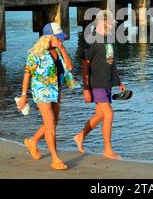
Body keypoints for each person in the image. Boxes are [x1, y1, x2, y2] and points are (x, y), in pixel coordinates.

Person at [17, 23, 73, 170]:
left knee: (53, 122)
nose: (61, 40)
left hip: (56, 89)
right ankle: (55, 159)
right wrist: (24, 96)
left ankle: (33, 141)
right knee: (50, 125)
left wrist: (62, 48)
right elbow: (27, 75)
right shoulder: (35, 54)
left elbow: (69, 67)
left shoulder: (59, 50)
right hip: (41, 90)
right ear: (48, 37)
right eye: (58, 38)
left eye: (61, 38)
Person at [73, 10, 126, 160]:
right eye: (110, 24)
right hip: (97, 83)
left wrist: (118, 81)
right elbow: (84, 66)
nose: (113, 27)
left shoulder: (108, 39)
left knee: (100, 115)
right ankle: (108, 149)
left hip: (107, 82)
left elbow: (111, 63)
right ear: (103, 22)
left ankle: (80, 136)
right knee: (109, 114)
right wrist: (86, 89)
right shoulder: (91, 40)